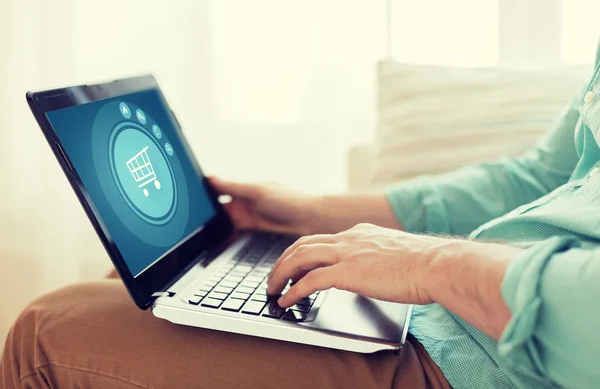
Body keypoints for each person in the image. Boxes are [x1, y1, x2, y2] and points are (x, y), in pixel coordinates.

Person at [3, 47, 600, 389]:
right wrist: (312, 212)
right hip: (461, 314)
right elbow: (538, 177)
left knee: (48, 330)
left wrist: (429, 262)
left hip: (503, 364)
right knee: (154, 288)